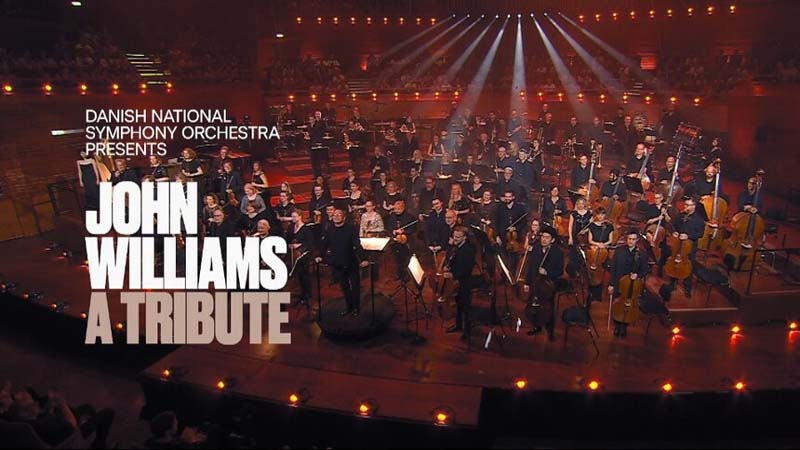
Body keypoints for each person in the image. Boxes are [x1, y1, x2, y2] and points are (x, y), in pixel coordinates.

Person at [316, 209, 369, 316]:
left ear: (344, 217)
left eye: (339, 214)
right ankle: (349, 306)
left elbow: (357, 244)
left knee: (355, 286)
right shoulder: (329, 230)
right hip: (337, 263)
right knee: (344, 287)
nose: (336, 216)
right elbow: (324, 244)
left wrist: (363, 258)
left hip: (350, 262)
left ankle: (356, 307)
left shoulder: (351, 229)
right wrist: (320, 255)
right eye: (334, 215)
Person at [522, 226, 563, 340]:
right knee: (534, 304)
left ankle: (550, 330)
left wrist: (547, 272)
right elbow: (530, 266)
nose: (544, 239)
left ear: (552, 240)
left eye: (547, 237)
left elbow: (560, 271)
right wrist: (527, 283)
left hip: (549, 284)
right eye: (543, 237)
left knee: (548, 306)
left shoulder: (557, 252)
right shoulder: (535, 249)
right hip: (535, 282)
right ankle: (536, 325)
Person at [608, 230, 649, 338]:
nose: (631, 241)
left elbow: (645, 270)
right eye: (629, 239)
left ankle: (624, 325)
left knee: (629, 304)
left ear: (637, 240)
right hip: (619, 282)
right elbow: (613, 268)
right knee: (617, 304)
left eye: (633, 239)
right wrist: (611, 284)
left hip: (632, 285)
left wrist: (637, 275)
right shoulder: (619, 251)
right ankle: (617, 325)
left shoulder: (641, 253)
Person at [444, 226, 477, 342]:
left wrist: (452, 274)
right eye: (454, 236)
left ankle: (467, 332)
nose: (455, 239)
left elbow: (466, 270)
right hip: (457, 282)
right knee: (458, 305)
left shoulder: (468, 250)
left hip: (464, 282)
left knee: (466, 307)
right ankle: (458, 325)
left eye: (458, 237)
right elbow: (450, 258)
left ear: (465, 238)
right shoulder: (456, 246)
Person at [286, 209, 314, 306]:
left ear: (300, 216)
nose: (293, 218)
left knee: (304, 274)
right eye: (292, 216)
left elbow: (310, 243)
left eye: (294, 216)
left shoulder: (306, 229)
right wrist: (290, 245)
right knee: (297, 274)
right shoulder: (291, 227)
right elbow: (287, 239)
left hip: (303, 253)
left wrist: (300, 245)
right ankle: (301, 292)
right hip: (293, 253)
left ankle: (307, 294)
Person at [386, 199, 417, 282]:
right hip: (395, 241)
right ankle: (399, 274)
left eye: (398, 209)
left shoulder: (409, 216)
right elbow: (389, 227)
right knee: (397, 259)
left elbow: (413, 229)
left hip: (406, 241)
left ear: (403, 208)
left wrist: (404, 231)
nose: (396, 211)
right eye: (395, 209)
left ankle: (406, 275)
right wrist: (393, 231)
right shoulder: (392, 216)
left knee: (405, 259)